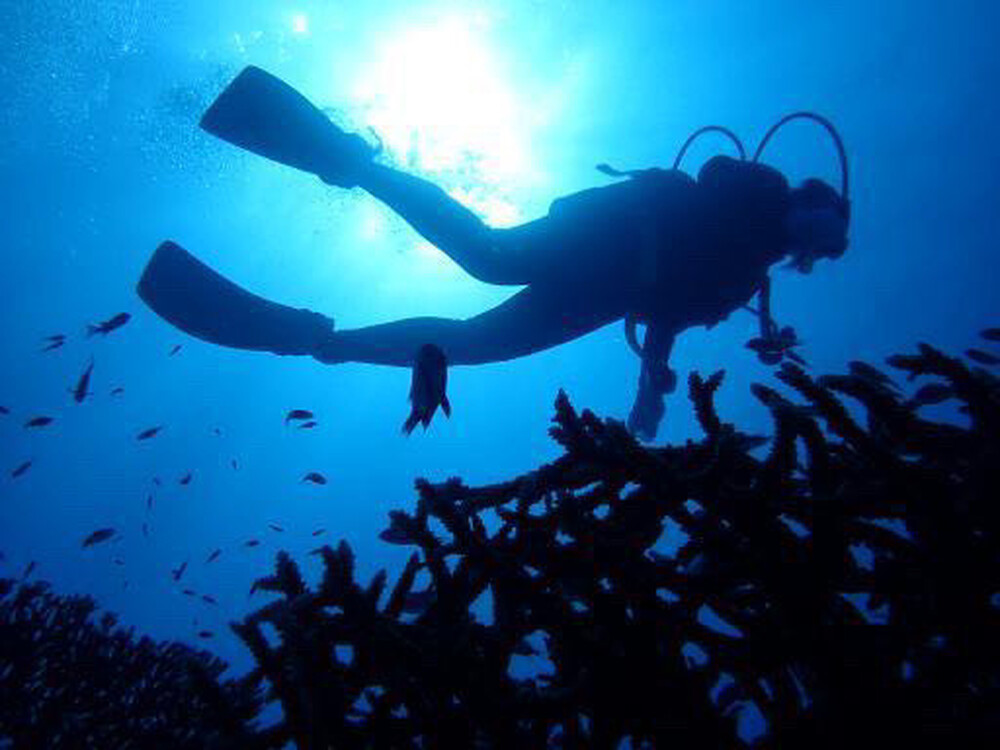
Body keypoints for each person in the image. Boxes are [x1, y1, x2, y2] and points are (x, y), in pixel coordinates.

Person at [138, 66, 850, 440]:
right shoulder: (762, 190)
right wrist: (774, 216)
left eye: (831, 245)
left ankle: (321, 341)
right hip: (610, 236)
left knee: (473, 346)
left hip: (604, 295)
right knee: (488, 256)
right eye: (829, 222)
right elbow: (713, 180)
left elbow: (665, 319)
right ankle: (352, 162)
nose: (825, 243)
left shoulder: (746, 279)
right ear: (814, 199)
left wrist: (648, 391)